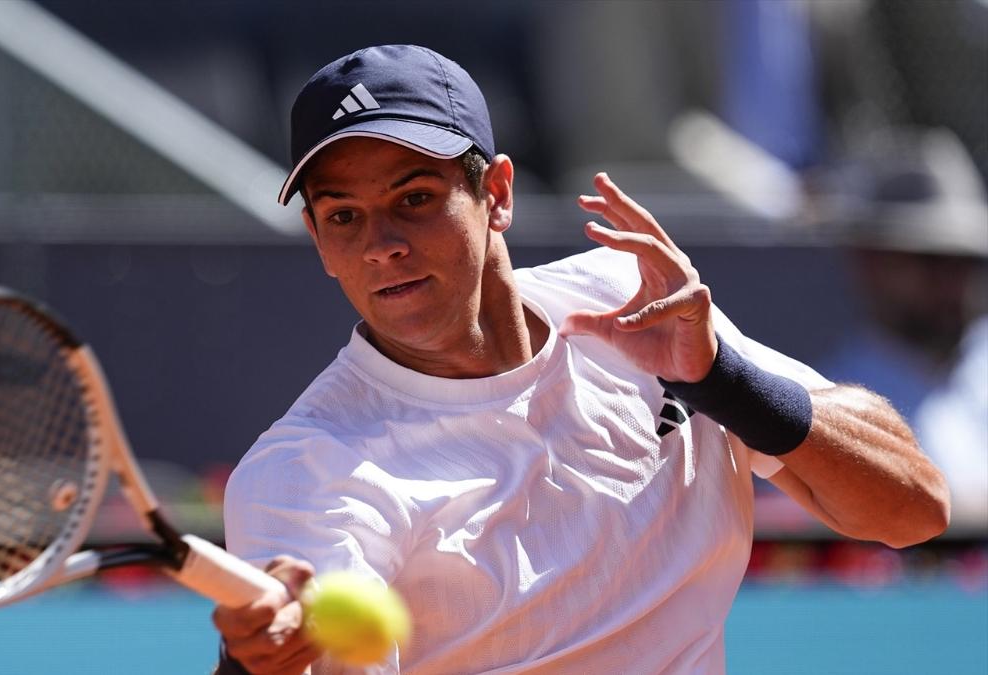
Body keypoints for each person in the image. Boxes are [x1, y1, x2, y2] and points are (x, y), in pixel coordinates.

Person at [214, 45, 950, 674]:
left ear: (497, 193)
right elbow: (299, 645)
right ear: (318, 239)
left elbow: (913, 507)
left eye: (415, 198)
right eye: (343, 215)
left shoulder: (634, 301)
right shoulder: (305, 472)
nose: (381, 245)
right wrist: (254, 663)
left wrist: (719, 379)